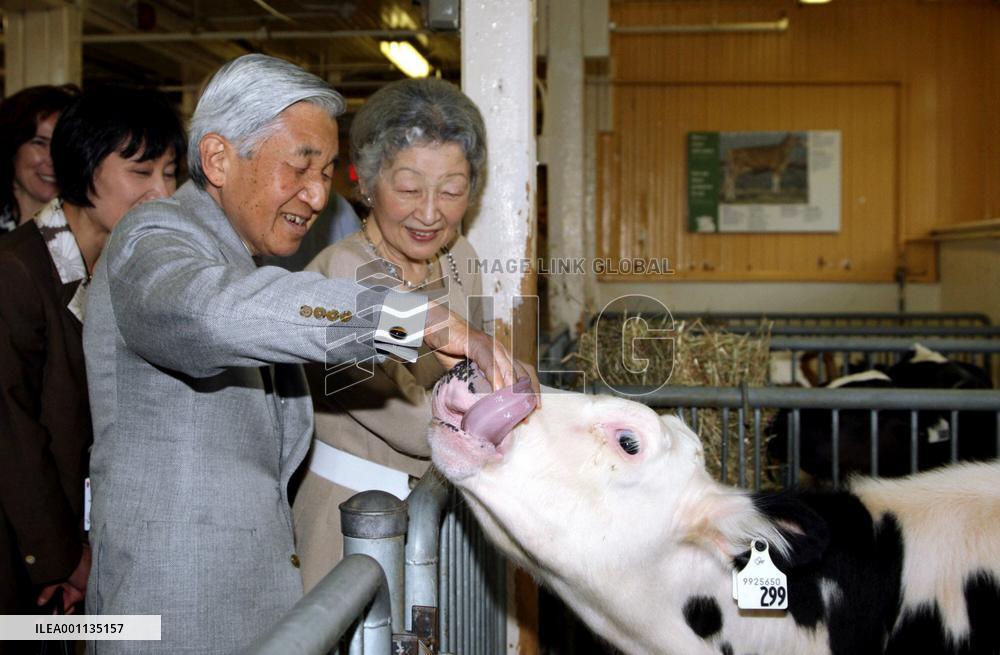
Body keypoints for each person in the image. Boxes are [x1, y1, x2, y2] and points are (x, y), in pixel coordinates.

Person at [82, 54, 520, 653]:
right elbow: (209, 313)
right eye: (300, 168)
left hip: (258, 587)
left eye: (327, 172)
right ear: (217, 159)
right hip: (177, 603)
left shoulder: (245, 259)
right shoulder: (153, 236)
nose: (316, 197)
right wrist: (420, 320)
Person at [292, 77, 494, 590]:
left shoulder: (460, 258)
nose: (431, 213)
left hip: (438, 514)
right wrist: (504, 409)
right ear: (364, 183)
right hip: (351, 523)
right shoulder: (337, 277)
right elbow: (408, 421)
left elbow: (488, 363)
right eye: (408, 189)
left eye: (452, 191)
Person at [0, 85, 183, 634]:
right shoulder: (18, 272)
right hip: (25, 554)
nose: (161, 191)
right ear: (83, 169)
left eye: (171, 173)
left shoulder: (126, 268)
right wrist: (63, 557)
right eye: (141, 171)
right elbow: (13, 435)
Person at [0, 84, 80, 232]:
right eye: (39, 143)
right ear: (12, 147)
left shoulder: (88, 234)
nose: (52, 160)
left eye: (61, 145)